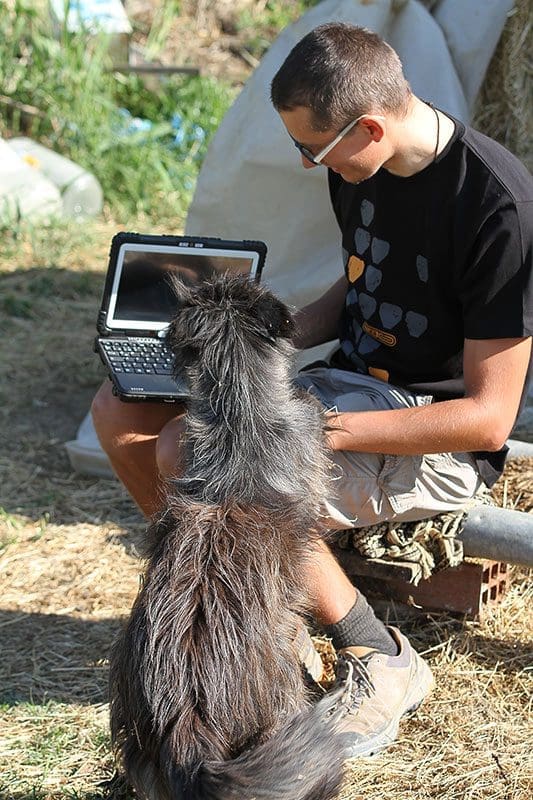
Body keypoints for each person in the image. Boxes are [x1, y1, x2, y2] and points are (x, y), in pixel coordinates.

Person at [91, 23, 533, 758]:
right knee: (121, 410)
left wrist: (307, 427)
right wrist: (264, 338)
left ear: (368, 126)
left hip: (427, 432)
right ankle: (261, 613)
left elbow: (486, 422)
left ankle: (376, 653)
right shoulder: (359, 165)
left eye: (312, 148)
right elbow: (365, 279)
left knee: (193, 454)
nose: (305, 164)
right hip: (338, 394)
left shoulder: (499, 211)